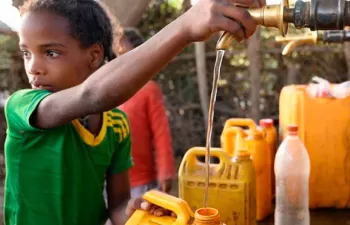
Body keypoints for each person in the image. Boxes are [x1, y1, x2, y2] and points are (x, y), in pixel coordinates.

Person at [4, 0, 265, 224]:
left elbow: (117, 207)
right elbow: (92, 95)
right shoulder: (23, 107)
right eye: (26, 53)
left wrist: (138, 212)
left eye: (50, 52)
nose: (33, 67)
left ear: (94, 56)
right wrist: (186, 26)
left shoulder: (116, 125)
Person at [118, 28, 175, 198]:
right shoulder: (105, 92)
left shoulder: (149, 90)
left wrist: (165, 170)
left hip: (141, 182)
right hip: (108, 181)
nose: (118, 60)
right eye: (115, 55)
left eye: (123, 53)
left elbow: (161, 133)